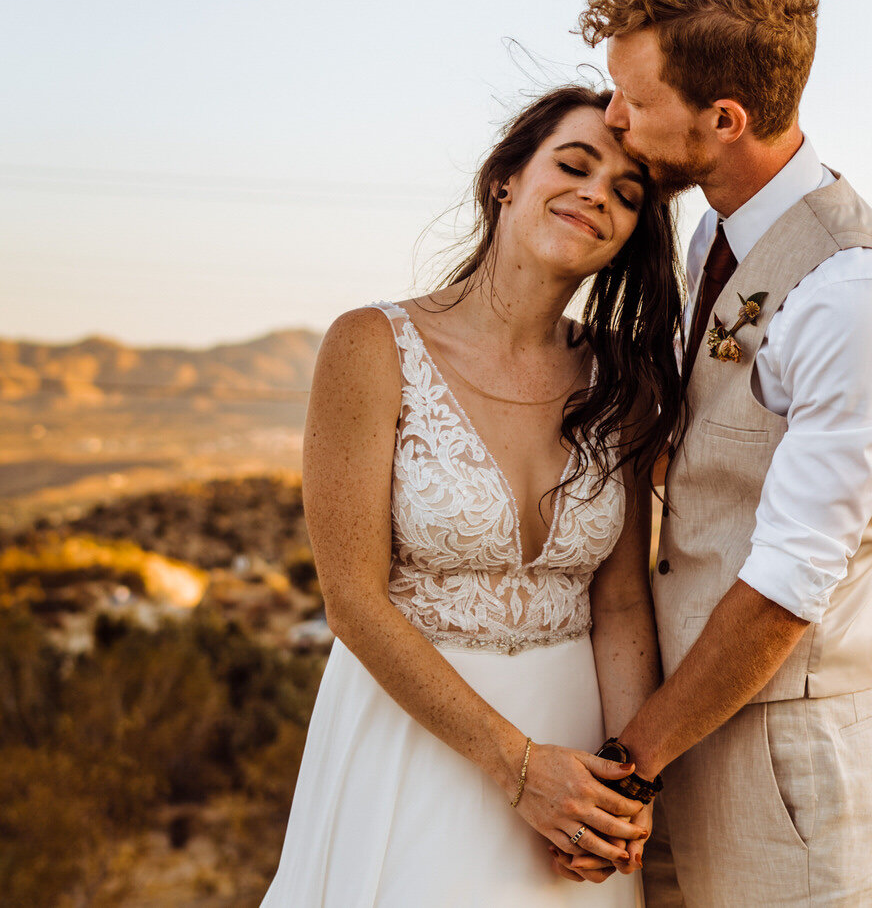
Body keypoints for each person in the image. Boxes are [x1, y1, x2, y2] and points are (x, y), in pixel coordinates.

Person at [566, 0, 872, 906]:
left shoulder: (856, 293)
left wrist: (632, 757)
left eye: (633, 100)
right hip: (687, 721)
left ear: (723, 119)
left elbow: (786, 584)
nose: (612, 118)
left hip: (785, 755)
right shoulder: (714, 234)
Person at [262, 85, 683, 907]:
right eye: (574, 163)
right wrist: (519, 770)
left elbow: (624, 602)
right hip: (415, 741)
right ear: (505, 180)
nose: (598, 193)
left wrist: (625, 788)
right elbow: (351, 600)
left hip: (576, 760)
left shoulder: (623, 381)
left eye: (628, 193)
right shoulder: (370, 345)